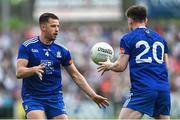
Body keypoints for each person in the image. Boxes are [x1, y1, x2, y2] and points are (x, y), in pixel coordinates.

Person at [16, 13, 109, 119]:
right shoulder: (27, 46)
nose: (56, 29)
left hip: (55, 98)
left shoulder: (62, 50)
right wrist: (33, 69)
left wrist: (93, 95)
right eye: (53, 26)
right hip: (33, 97)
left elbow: (76, 75)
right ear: (43, 27)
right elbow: (19, 72)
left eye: (58, 26)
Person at [97, 5, 170, 119]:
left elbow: (121, 66)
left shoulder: (128, 38)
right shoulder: (161, 39)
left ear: (130, 20)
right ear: (146, 20)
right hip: (163, 89)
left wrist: (109, 65)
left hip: (143, 88)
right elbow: (166, 66)